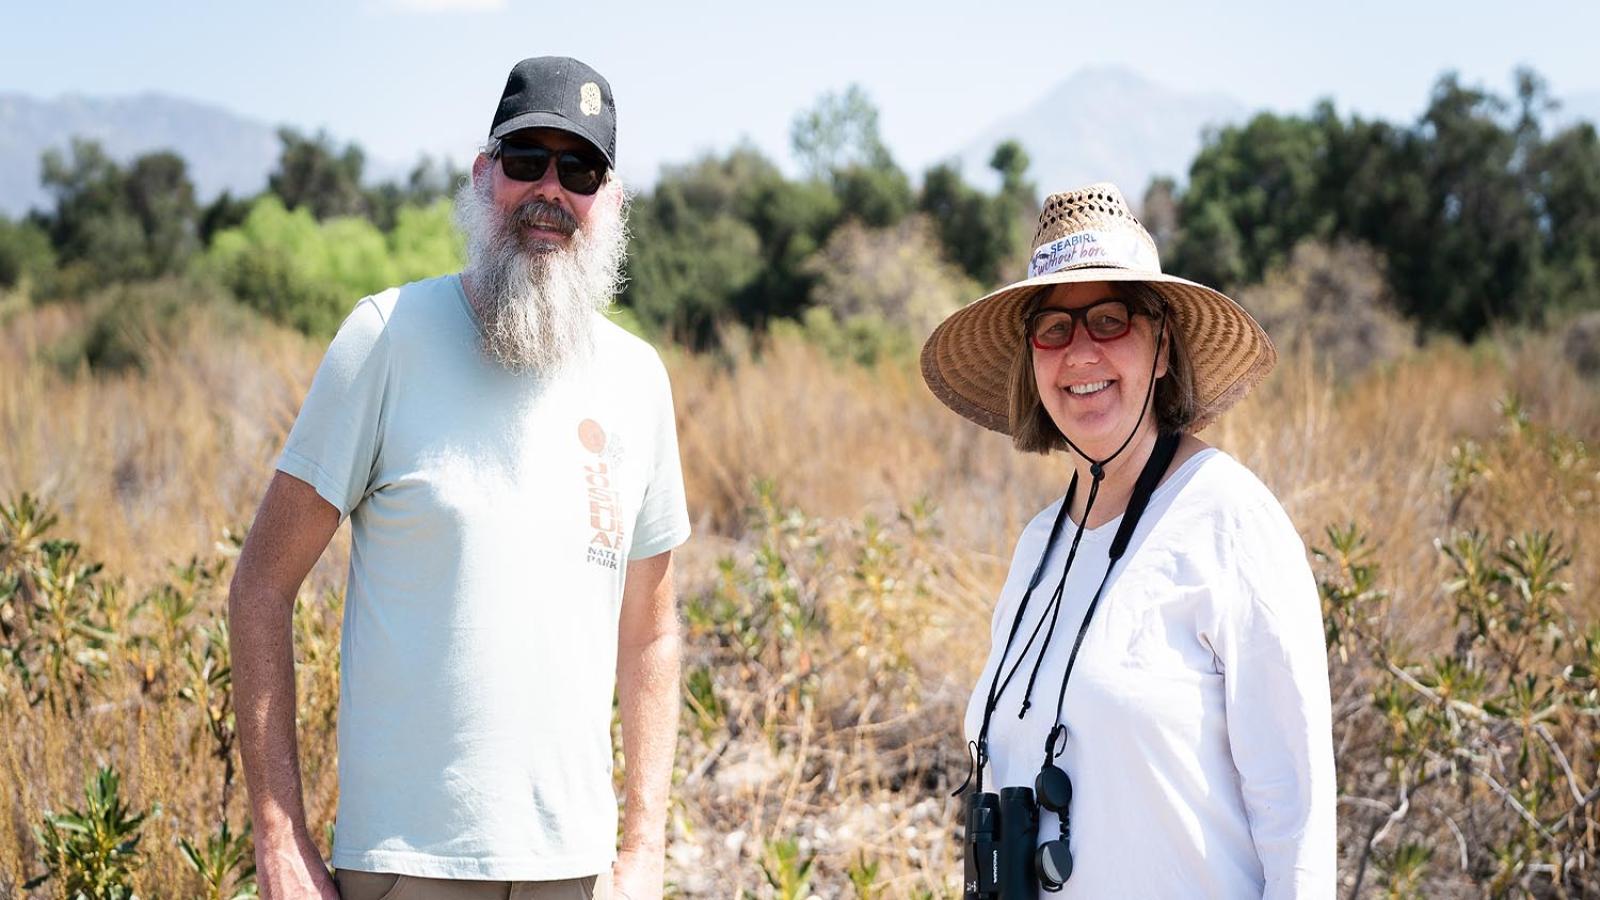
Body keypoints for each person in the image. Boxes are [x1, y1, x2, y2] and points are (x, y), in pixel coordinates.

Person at [228, 57, 690, 900]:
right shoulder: (385, 338)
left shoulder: (639, 379)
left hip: (577, 874)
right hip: (411, 867)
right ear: (485, 175)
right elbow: (261, 584)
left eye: (579, 169)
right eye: (527, 161)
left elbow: (651, 634)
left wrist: (644, 847)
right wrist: (279, 833)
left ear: (611, 201)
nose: (550, 191)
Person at [921, 183, 1335, 898]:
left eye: (1110, 319)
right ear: (1032, 359)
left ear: (1164, 346)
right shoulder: (1036, 547)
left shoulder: (1229, 520)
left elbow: (1295, 819)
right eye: (1053, 328)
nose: (1080, 352)